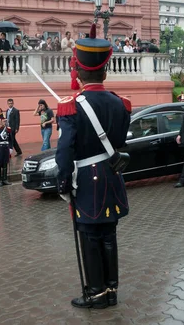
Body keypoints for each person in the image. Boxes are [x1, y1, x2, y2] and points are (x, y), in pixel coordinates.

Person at [56, 23, 132, 309]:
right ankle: (111, 291)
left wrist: (64, 182)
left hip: (87, 179)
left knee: (89, 236)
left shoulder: (70, 106)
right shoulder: (120, 103)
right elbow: (119, 141)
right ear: (105, 70)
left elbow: (65, 152)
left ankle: (97, 293)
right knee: (109, 235)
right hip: (112, 177)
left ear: (78, 70)